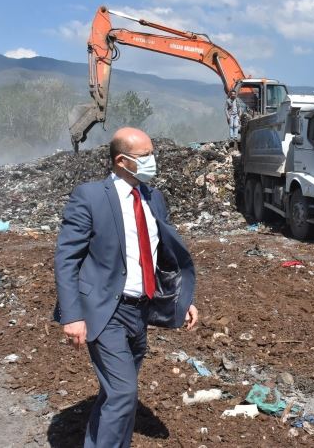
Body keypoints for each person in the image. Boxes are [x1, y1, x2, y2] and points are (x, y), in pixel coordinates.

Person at [53, 127, 199, 448]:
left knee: (115, 393)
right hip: (105, 311)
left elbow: (161, 256)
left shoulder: (153, 198)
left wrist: (181, 299)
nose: (153, 160)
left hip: (139, 311)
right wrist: (72, 315)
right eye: (146, 155)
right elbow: (67, 258)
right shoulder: (90, 197)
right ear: (122, 160)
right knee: (123, 393)